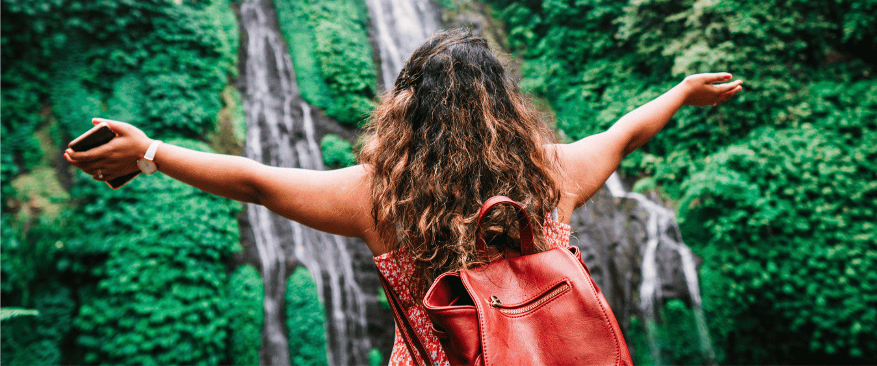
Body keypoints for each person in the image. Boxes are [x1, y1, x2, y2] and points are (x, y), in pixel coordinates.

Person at [64, 28, 742, 366]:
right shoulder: (551, 176)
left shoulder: (379, 199)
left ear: (406, 110)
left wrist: (149, 153)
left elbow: (254, 180)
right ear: (507, 108)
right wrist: (682, 91)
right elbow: (625, 132)